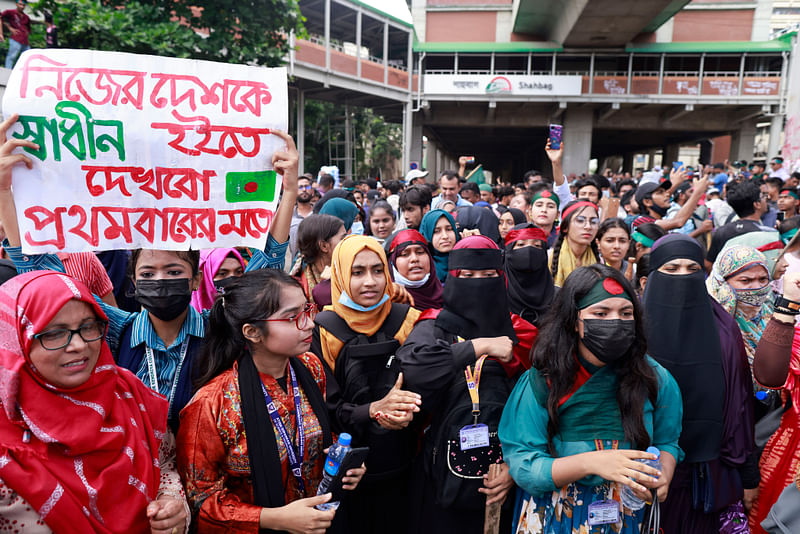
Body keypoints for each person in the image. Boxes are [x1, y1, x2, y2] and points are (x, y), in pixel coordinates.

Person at [0, 120, 299, 430]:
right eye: (148, 272)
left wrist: (289, 191)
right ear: (134, 281)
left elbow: (264, 277)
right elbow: (48, 279)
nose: (160, 280)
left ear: (195, 280)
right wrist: (5, 193)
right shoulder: (113, 330)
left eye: (173, 271)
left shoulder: (218, 327)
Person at [499, 265, 684, 533]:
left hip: (626, 514)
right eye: (600, 313)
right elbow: (523, 463)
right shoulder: (544, 380)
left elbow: (667, 440)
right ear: (575, 321)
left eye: (625, 313)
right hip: (555, 515)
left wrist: (663, 474)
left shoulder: (654, 378)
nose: (615, 321)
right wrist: (591, 462)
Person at [178, 269, 365, 533]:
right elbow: (201, 500)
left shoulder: (310, 367)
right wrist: (272, 518)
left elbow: (314, 434)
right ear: (253, 332)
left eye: (307, 309)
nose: (310, 323)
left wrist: (342, 462)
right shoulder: (212, 403)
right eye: (292, 317)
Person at [0, 270, 188, 533]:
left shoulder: (128, 391)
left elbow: (166, 463)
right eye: (53, 333)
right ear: (16, 340)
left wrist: (172, 502)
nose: (78, 344)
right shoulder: (6, 438)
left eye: (88, 327)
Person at [397, 235, 520, 534]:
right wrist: (478, 347)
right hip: (439, 477)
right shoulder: (434, 326)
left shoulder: (520, 331)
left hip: (508, 476)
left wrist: (516, 469)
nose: (479, 283)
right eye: (467, 276)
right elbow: (414, 367)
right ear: (452, 277)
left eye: (489, 276)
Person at [643, 235, 756, 532]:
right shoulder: (632, 329)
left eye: (692, 269)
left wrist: (748, 476)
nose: (683, 277)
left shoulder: (724, 330)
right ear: (653, 276)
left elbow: (741, 406)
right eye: (672, 269)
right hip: (638, 473)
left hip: (706, 476)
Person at [310, 235, 421, 534]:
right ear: (341, 274)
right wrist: (372, 410)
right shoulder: (323, 330)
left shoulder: (408, 320)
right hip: (346, 470)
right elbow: (325, 405)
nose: (370, 281)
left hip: (403, 463)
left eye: (377, 270)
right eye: (357, 272)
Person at [292, 214, 347, 308]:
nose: (348, 242)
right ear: (324, 246)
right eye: (343, 239)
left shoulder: (350, 273)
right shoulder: (297, 290)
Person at [388, 229, 443, 311]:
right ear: (393, 263)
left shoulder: (449, 298)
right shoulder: (386, 303)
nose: (414, 259)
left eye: (420, 252)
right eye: (405, 254)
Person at [549, 200, 600, 287]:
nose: (588, 226)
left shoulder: (600, 261)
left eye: (593, 221)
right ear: (565, 227)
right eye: (580, 220)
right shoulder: (548, 258)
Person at [190, 248, 246, 312]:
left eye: (239, 272)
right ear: (204, 277)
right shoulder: (186, 317)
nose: (232, 278)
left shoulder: (252, 311)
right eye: (222, 273)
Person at [420, 209, 460, 284]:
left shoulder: (464, 262)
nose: (445, 236)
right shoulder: (421, 268)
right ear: (427, 235)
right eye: (436, 231)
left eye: (449, 229)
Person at [1, 0, 30, 69]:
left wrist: (27, 32)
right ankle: (8, 71)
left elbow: (28, 28)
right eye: (20, 4)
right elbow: (1, 18)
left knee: (28, 57)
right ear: (16, 4)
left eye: (23, 5)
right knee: (12, 56)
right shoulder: (10, 12)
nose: (22, 6)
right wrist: (9, 28)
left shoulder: (26, 17)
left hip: (25, 41)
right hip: (15, 39)